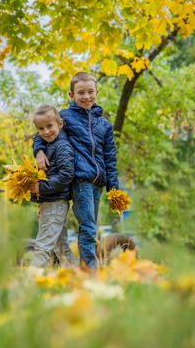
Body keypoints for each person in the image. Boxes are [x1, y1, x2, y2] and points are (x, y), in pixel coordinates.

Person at [33, 72, 119, 269]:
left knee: (90, 227)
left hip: (98, 182)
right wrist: (39, 151)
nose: (86, 96)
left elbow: (110, 159)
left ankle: (75, 268)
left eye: (90, 92)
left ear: (97, 92)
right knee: (88, 227)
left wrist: (114, 189)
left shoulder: (104, 125)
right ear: (72, 95)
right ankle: (89, 270)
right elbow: (41, 132)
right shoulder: (65, 117)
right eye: (81, 92)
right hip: (80, 180)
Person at [30, 104, 77, 268]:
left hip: (55, 202)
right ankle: (78, 275)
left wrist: (41, 188)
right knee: (60, 245)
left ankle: (31, 281)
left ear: (60, 124)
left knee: (43, 245)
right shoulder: (48, 145)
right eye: (41, 128)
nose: (46, 131)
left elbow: (66, 176)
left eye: (49, 126)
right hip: (50, 201)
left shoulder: (62, 146)